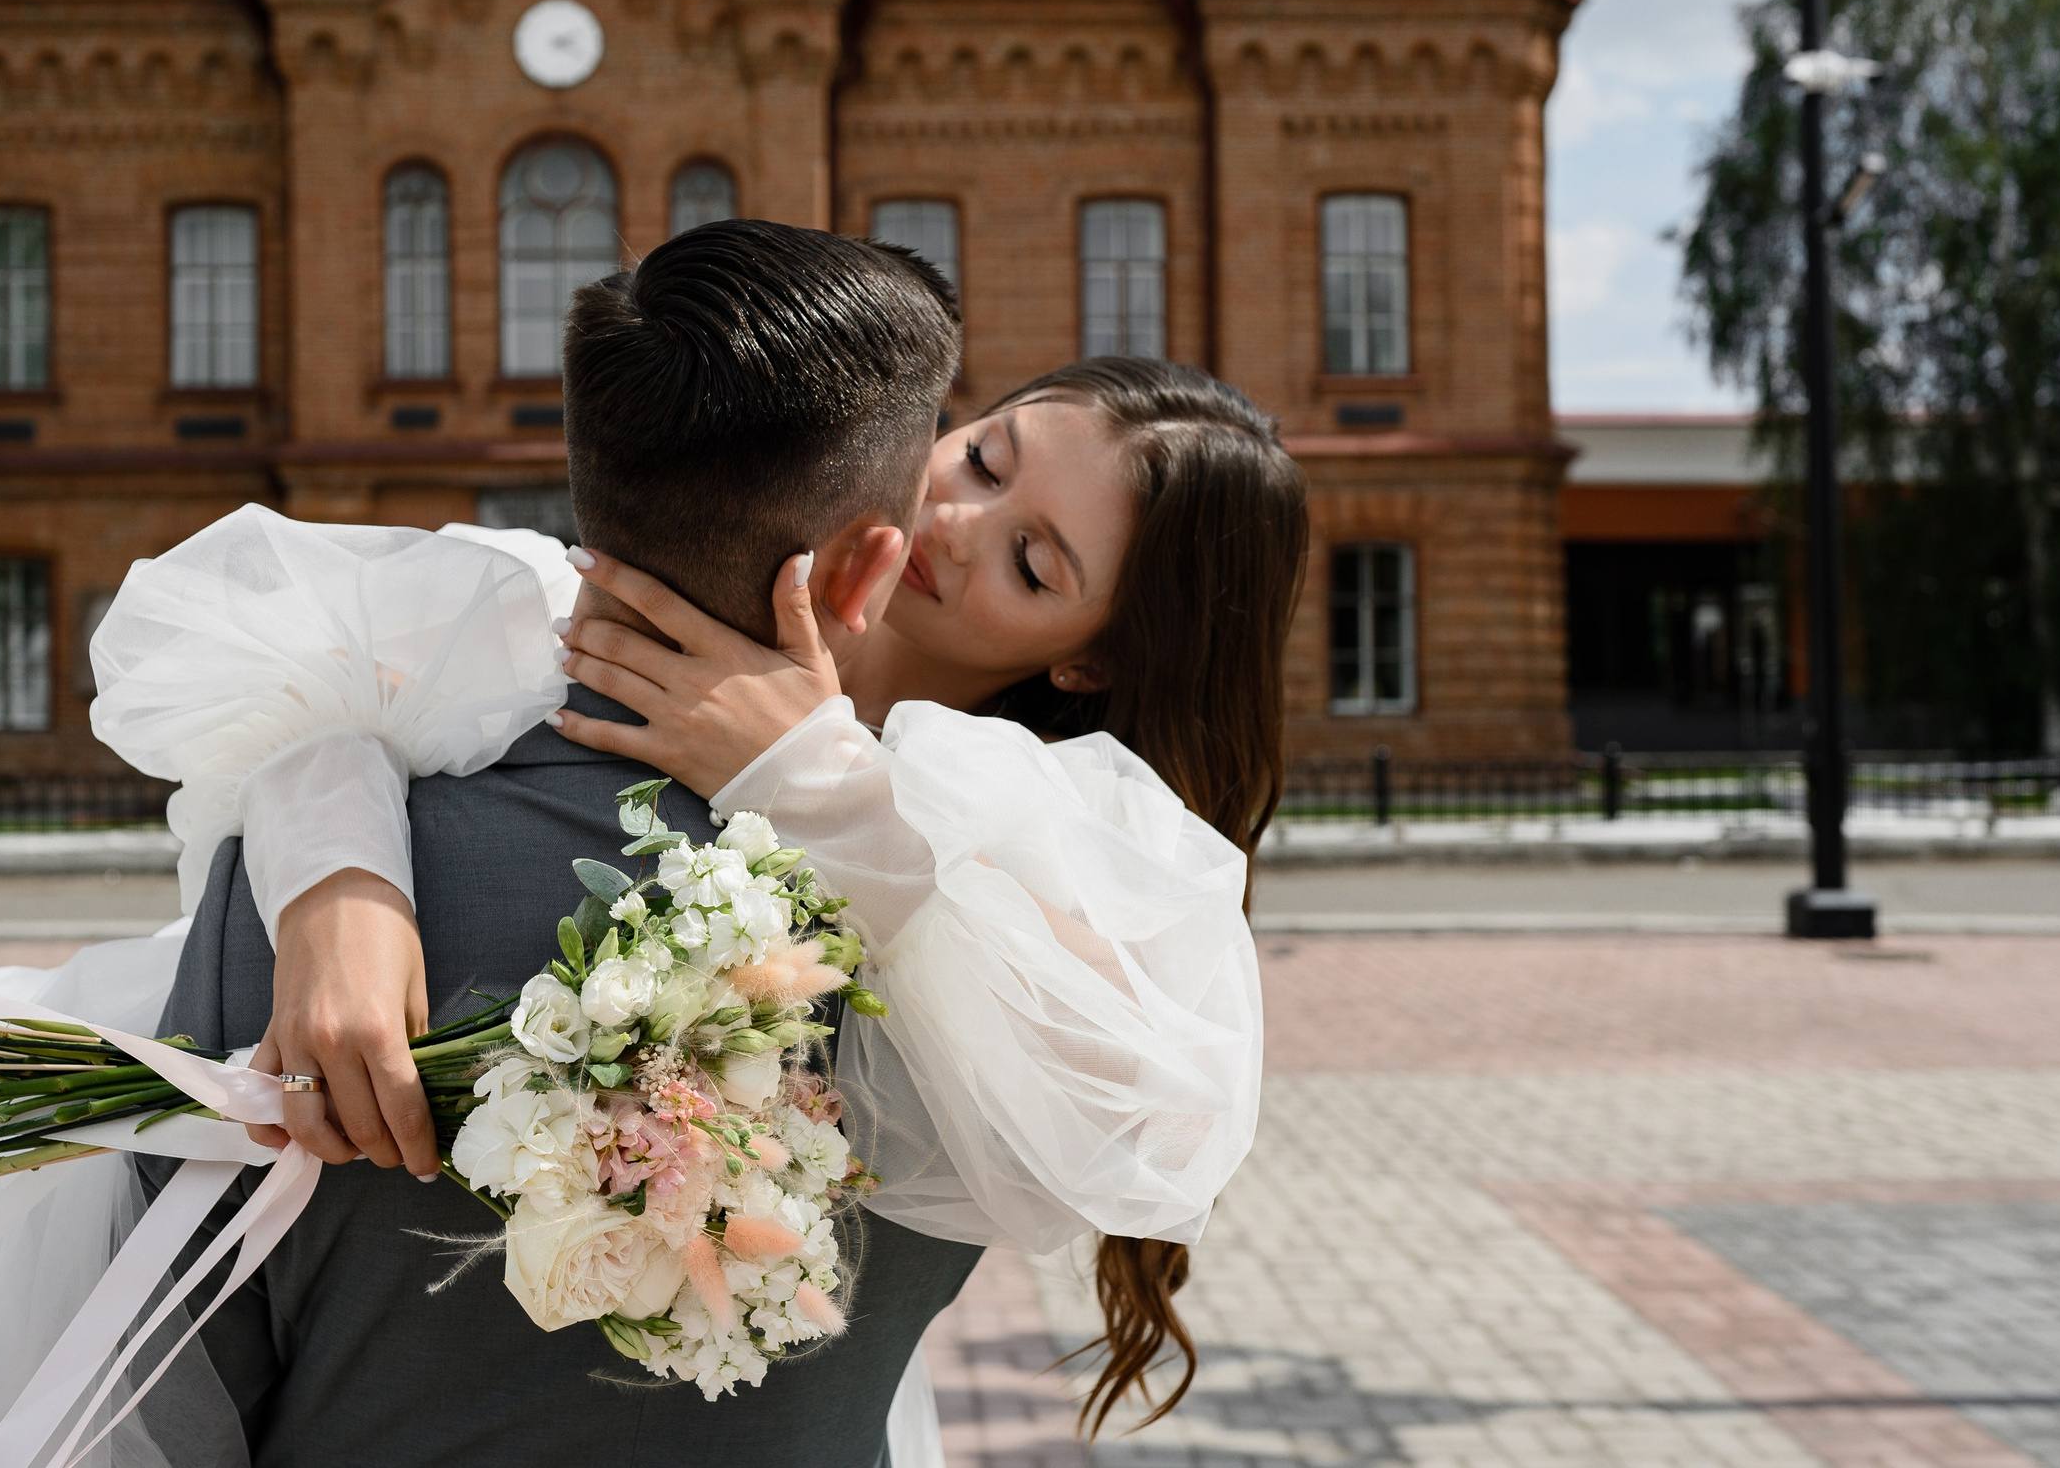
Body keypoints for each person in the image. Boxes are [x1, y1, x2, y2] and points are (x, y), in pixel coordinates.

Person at [136, 345, 1308, 1442]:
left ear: (1088, 659)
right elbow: (299, 663)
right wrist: (341, 891)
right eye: (984, 457)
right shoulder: (608, 602)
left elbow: (1147, 1099)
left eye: (1031, 559)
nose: (950, 519)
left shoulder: (1056, 828)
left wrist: (810, 769)